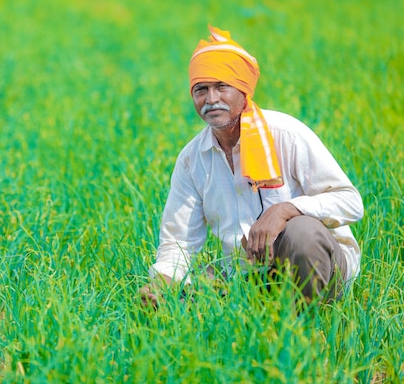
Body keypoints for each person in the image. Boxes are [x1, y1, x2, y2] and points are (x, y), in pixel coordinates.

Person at [139, 25, 364, 307]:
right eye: (201, 90)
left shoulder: (286, 134)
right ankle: (253, 317)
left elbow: (351, 202)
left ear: (243, 92)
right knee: (191, 297)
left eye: (222, 86)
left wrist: (285, 210)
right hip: (246, 274)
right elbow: (179, 242)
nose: (211, 99)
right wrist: (161, 284)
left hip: (321, 268)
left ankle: (308, 328)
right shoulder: (192, 159)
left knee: (301, 231)